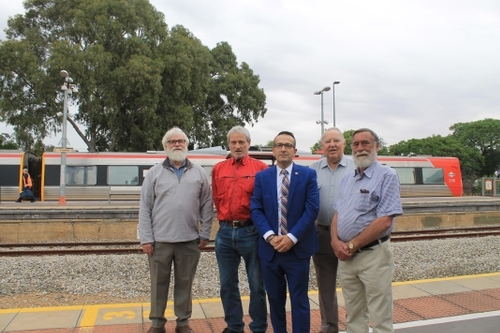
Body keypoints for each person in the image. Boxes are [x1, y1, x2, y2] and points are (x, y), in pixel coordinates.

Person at [138, 127, 213, 333]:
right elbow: (145, 207)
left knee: (185, 284)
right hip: (159, 242)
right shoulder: (154, 173)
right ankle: (157, 323)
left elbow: (207, 205)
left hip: (189, 240)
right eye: (172, 141)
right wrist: (146, 238)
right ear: (165, 146)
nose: (177, 144)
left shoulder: (198, 172)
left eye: (181, 141)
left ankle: (183, 323)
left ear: (187, 145)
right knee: (158, 284)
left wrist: (205, 233)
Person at [330, 128, 403, 333]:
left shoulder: (386, 176)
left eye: (365, 143)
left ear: (376, 147)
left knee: (380, 315)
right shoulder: (348, 179)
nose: (360, 148)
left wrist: (351, 246)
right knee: (353, 314)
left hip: (373, 255)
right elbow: (338, 213)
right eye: (356, 144)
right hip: (346, 257)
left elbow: (385, 221)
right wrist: (335, 241)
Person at [251, 131, 319, 333]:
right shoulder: (262, 177)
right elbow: (256, 208)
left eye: (288, 145)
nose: (283, 148)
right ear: (273, 150)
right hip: (270, 250)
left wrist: (291, 237)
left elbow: (312, 209)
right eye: (279, 145)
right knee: (275, 300)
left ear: (295, 151)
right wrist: (270, 236)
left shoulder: (308, 175)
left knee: (299, 300)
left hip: (297, 250)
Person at [212, 126, 268, 333]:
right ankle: (234, 326)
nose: (237, 146)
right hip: (225, 233)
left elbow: (264, 202)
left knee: (257, 285)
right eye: (233, 142)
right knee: (227, 285)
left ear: (248, 144)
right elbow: (217, 197)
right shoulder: (219, 169)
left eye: (241, 142)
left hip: (251, 232)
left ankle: (259, 327)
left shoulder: (261, 168)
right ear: (228, 144)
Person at [309, 128, 355, 333]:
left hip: (351, 237)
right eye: (327, 141)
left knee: (353, 286)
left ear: (344, 144)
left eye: (336, 140)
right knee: (326, 287)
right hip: (322, 236)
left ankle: (356, 327)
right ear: (322, 146)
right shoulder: (311, 171)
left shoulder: (357, 168)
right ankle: (329, 328)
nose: (332, 144)